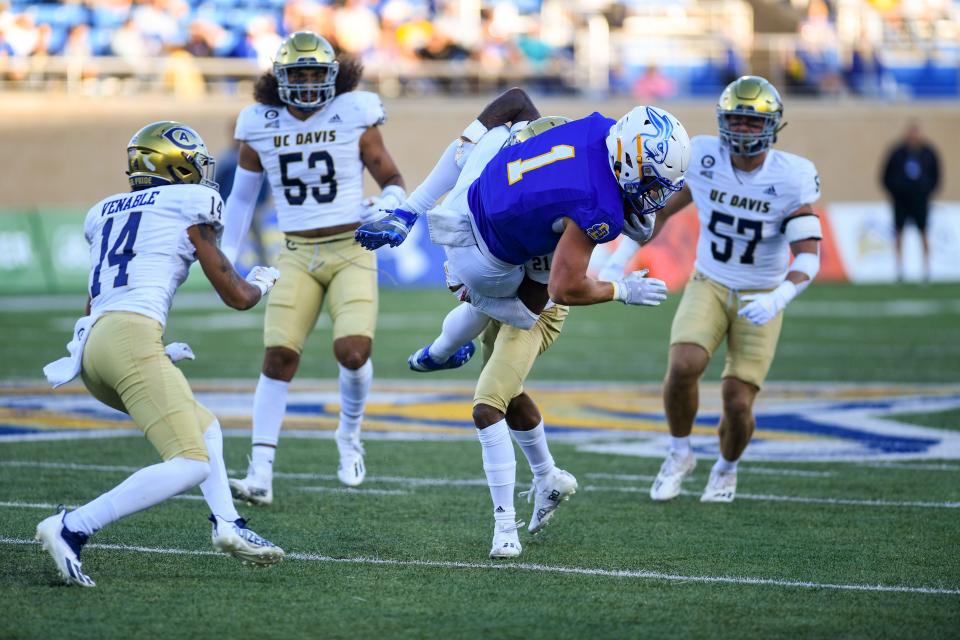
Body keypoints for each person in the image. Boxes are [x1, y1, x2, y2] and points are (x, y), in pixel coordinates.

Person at [37, 121, 284, 587]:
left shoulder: (103, 211)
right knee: (192, 461)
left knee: (204, 426)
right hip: (128, 339)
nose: (201, 175)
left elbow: (97, 299)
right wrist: (261, 282)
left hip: (93, 345)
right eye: (193, 166)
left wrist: (142, 348)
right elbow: (235, 296)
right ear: (172, 167)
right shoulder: (189, 203)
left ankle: (227, 524)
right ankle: (73, 527)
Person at [221, 31, 406, 504]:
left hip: (351, 247)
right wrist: (225, 257)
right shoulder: (258, 123)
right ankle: (260, 471)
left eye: (314, 73)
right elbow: (241, 200)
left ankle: (348, 434)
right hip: (297, 252)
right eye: (296, 74)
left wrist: (388, 203)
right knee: (278, 357)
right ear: (277, 79)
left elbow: (391, 176)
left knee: (353, 352)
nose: (305, 83)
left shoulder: (355, 112)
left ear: (333, 76)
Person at [355, 92, 690, 351]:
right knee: (532, 307)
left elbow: (515, 99)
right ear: (629, 159)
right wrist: (621, 290)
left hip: (467, 192)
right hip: (481, 261)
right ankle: (452, 323)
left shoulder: (601, 126)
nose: (656, 193)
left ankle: (408, 211)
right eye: (652, 180)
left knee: (508, 120)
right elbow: (565, 288)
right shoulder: (600, 208)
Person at [644, 76, 822, 503]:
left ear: (773, 125)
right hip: (710, 279)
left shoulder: (792, 175)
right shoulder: (704, 155)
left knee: (738, 401)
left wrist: (779, 296)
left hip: (762, 291)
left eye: (751, 120)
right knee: (684, 363)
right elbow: (659, 213)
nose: (742, 128)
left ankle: (726, 468)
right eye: (736, 120)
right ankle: (679, 452)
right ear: (723, 121)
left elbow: (809, 256)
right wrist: (612, 256)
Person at [881, 121, 940, 282]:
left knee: (923, 232)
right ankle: (899, 270)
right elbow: (885, 175)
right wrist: (895, 191)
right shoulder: (897, 152)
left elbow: (936, 175)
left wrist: (927, 191)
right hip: (901, 200)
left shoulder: (928, 152)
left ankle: (927, 270)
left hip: (920, 199)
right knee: (899, 232)